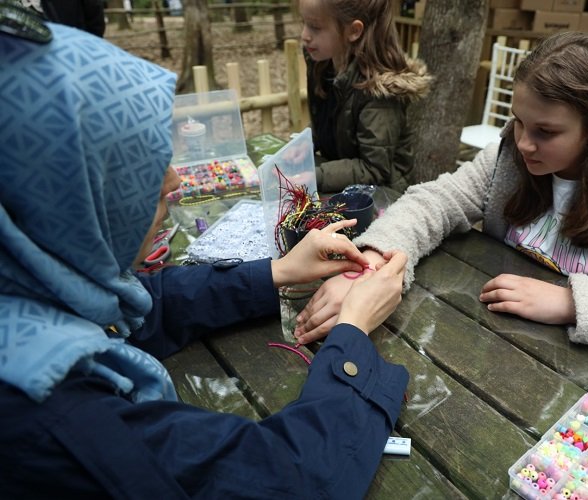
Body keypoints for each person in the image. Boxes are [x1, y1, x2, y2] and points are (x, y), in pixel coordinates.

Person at [0, 17, 410, 498]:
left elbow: (144, 307)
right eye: (142, 168)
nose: (175, 183)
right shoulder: (54, 420)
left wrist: (278, 272)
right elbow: (288, 478)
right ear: (62, 197)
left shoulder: (30, 293)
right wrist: (353, 332)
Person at [293, 31, 588, 363]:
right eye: (518, 121)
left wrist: (574, 302)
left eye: (546, 132)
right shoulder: (509, 157)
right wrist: (372, 266)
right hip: (493, 361)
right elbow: (435, 201)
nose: (524, 142)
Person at [300, 0, 431, 194]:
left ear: (353, 31)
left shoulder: (379, 94)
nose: (304, 35)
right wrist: (305, 144)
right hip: (344, 189)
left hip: (382, 201)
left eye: (315, 27)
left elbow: (374, 169)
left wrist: (317, 176)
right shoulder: (324, 66)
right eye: (303, 23)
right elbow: (331, 124)